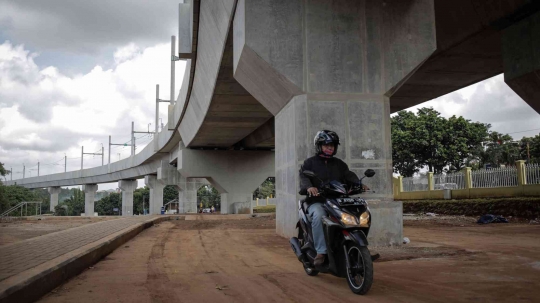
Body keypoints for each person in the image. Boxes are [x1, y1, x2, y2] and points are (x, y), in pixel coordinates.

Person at [299, 130, 361, 266]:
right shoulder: (310, 163)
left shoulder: (339, 164)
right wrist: (309, 187)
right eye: (326, 145)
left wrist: (359, 184)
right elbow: (304, 177)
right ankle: (321, 252)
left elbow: (349, 175)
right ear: (319, 146)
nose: (330, 147)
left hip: (337, 200)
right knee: (319, 215)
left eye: (332, 145)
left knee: (355, 212)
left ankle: (359, 247)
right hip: (317, 200)